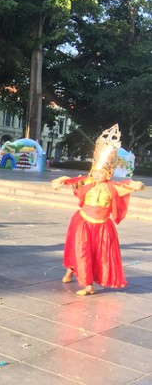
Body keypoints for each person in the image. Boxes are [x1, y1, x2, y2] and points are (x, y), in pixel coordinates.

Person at [52, 124, 145, 295]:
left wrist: (138, 185)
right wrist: (61, 181)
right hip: (82, 222)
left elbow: (129, 186)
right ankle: (85, 283)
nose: (96, 174)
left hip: (102, 226)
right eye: (94, 171)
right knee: (80, 250)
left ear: (108, 174)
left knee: (98, 255)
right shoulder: (87, 182)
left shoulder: (113, 187)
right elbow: (73, 181)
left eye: (100, 172)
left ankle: (82, 276)